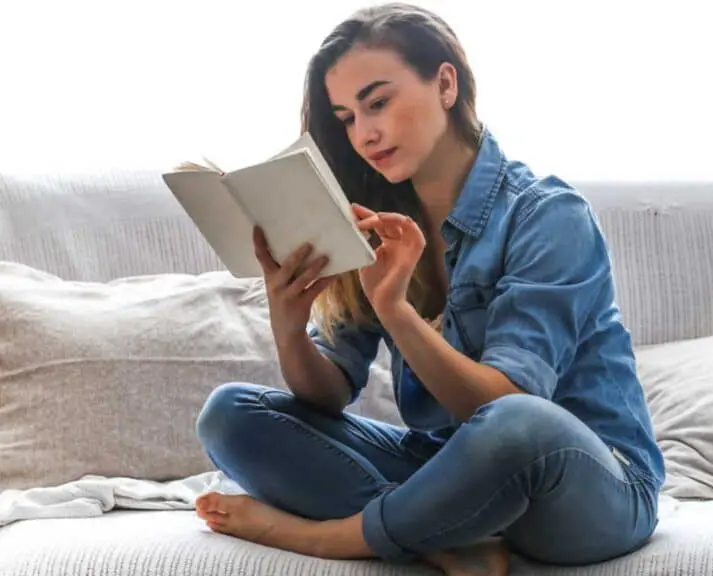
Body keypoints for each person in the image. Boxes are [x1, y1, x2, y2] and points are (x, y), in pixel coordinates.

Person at [192, 3, 664, 574]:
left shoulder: (547, 215)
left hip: (588, 484)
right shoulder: (375, 221)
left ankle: (332, 537)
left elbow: (500, 407)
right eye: (346, 118)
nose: (364, 134)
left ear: (445, 83)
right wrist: (288, 325)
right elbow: (328, 395)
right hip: (448, 468)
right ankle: (445, 536)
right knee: (230, 414)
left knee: (519, 421)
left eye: (378, 102)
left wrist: (396, 311)